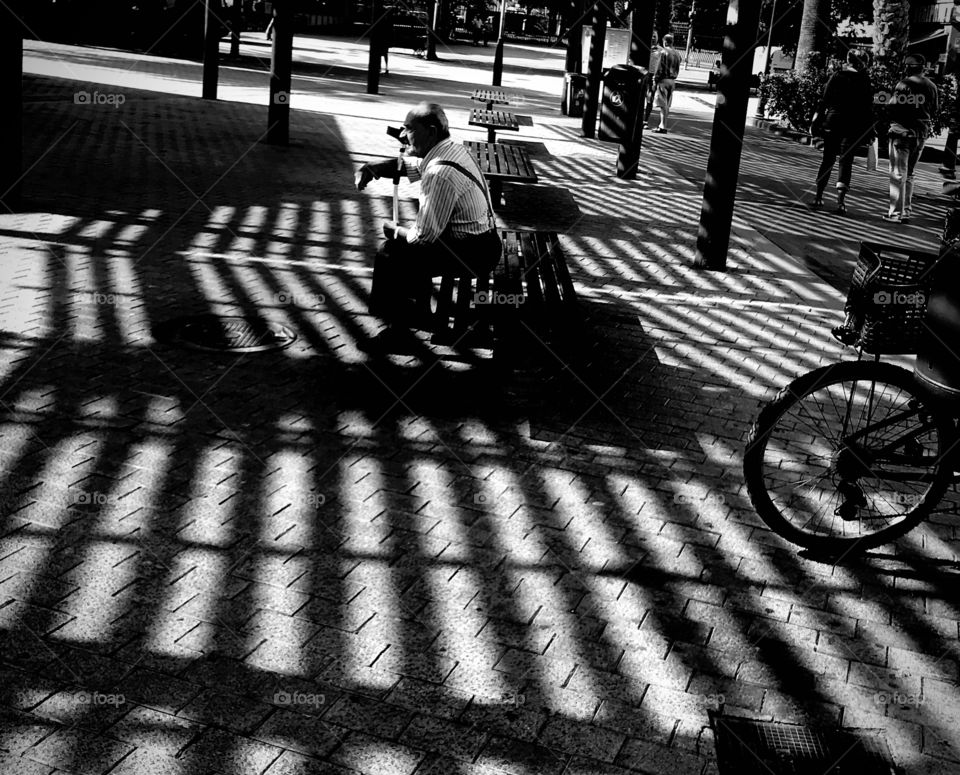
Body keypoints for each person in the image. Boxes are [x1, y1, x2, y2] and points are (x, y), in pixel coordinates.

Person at [354, 103, 502, 351]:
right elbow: (411, 165)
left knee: (391, 252)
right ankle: (418, 313)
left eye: (409, 129)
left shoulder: (440, 173)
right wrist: (374, 168)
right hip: (482, 242)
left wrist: (394, 230)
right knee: (407, 249)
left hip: (474, 254)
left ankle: (398, 332)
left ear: (431, 132)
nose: (403, 135)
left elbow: (423, 237)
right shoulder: (451, 150)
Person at [810, 49, 875, 215]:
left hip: (833, 121)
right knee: (846, 161)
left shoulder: (837, 76)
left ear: (848, 60)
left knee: (828, 158)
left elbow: (824, 100)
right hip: (853, 124)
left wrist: (816, 122)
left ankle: (818, 197)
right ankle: (840, 202)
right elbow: (868, 108)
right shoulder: (864, 79)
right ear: (862, 62)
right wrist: (870, 130)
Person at [884, 54, 939, 223]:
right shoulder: (931, 86)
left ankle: (895, 213)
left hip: (901, 132)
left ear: (908, 67)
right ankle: (906, 211)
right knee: (910, 174)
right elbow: (935, 109)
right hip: (920, 133)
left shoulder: (904, 84)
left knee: (898, 174)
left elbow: (892, 107)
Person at [651, 33, 682, 133]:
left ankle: (663, 126)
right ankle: (663, 124)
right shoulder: (677, 54)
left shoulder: (663, 52)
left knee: (662, 105)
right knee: (667, 105)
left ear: (664, 42)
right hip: (672, 81)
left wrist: (655, 79)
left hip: (663, 80)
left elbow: (659, 67)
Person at [644, 32, 662, 123]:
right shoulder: (644, 46)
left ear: (657, 38)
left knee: (650, 97)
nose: (653, 38)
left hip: (653, 76)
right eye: (651, 36)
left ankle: (645, 120)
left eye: (654, 36)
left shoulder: (661, 50)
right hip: (644, 74)